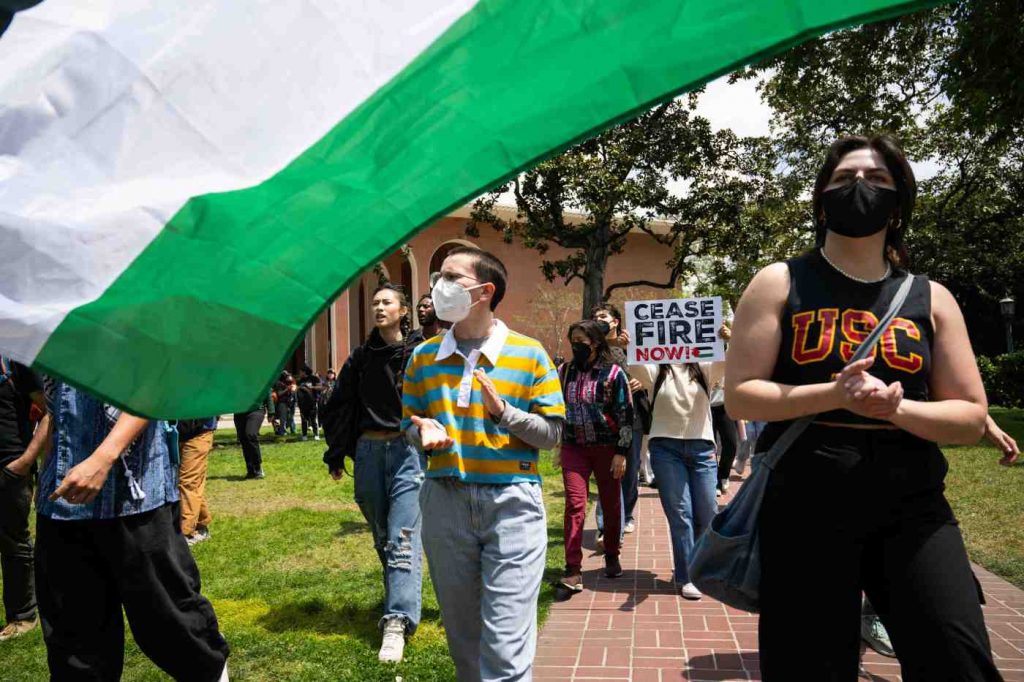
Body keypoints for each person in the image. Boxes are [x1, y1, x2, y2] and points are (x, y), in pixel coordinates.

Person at [726, 135, 1002, 680]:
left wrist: (895, 410)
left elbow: (970, 416)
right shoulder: (780, 282)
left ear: (898, 203)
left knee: (958, 658)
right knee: (809, 667)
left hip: (913, 504)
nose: (859, 188)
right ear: (820, 198)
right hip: (805, 501)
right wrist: (834, 395)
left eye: (877, 180)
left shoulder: (932, 297)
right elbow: (742, 393)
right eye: (844, 178)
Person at [402, 247, 565, 681]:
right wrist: (421, 433)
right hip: (444, 503)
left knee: (506, 650)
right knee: (465, 642)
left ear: (484, 291)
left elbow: (551, 435)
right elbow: (408, 423)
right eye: (437, 276)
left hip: (512, 504)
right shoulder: (422, 358)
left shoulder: (530, 355)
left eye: (451, 277)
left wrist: (504, 413)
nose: (438, 286)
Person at [34, 380, 229, 680]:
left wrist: (102, 458)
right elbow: (52, 405)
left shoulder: (130, 331)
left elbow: (154, 383)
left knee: (171, 621)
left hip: (135, 496)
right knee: (74, 644)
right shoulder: (38, 336)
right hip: (61, 503)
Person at [322, 283, 425, 663]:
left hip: (407, 453)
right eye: (375, 303)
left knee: (401, 537)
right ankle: (400, 595)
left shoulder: (418, 353)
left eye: (387, 302)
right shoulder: (362, 357)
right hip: (368, 452)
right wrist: (336, 453)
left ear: (403, 310)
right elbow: (340, 405)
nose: (379, 308)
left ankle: (397, 621)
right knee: (383, 537)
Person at [628, 330, 726, 601]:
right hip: (665, 449)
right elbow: (634, 365)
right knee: (681, 514)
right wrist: (631, 344)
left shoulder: (704, 366)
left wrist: (727, 338)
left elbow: (724, 362)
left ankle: (702, 567)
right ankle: (687, 575)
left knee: (707, 511)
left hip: (702, 447)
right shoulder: (655, 368)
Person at [557, 320, 633, 594]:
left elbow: (625, 414)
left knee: (611, 504)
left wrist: (621, 453)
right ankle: (573, 568)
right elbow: (557, 409)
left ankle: (611, 553)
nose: (576, 345)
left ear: (596, 343)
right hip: (573, 447)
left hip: (606, 449)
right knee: (575, 505)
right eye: (573, 339)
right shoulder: (564, 372)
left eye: (582, 340)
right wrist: (558, 445)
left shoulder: (613, 374)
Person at [0, 356, 47, 641]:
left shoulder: (15, 356)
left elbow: (48, 411)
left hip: (8, 466)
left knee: (12, 541)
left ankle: (23, 615)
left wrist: (24, 462)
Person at [592, 303, 645, 539]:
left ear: (615, 321)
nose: (598, 319)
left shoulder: (633, 348)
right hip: (604, 420)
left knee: (630, 470)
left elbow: (651, 372)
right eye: (595, 317)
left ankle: (627, 514)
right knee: (607, 472)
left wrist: (642, 381)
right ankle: (606, 527)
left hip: (631, 419)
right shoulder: (593, 349)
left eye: (603, 316)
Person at [177, 416, 219, 545]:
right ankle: (202, 524)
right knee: (189, 482)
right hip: (178, 432)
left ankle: (186, 533)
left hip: (199, 432)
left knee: (188, 482)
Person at [233, 390, 272, 479]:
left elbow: (267, 390)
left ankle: (258, 467)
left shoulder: (256, 377)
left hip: (256, 410)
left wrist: (271, 411)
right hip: (239, 412)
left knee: (250, 434)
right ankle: (250, 469)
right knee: (243, 439)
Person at [296, 365, 321, 441]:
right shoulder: (299, 380)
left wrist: (310, 388)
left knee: (313, 419)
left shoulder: (314, 378)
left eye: (300, 372)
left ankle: (316, 435)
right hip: (302, 403)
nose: (299, 373)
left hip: (312, 402)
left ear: (304, 371)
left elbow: (320, 387)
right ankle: (304, 435)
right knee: (304, 420)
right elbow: (297, 390)